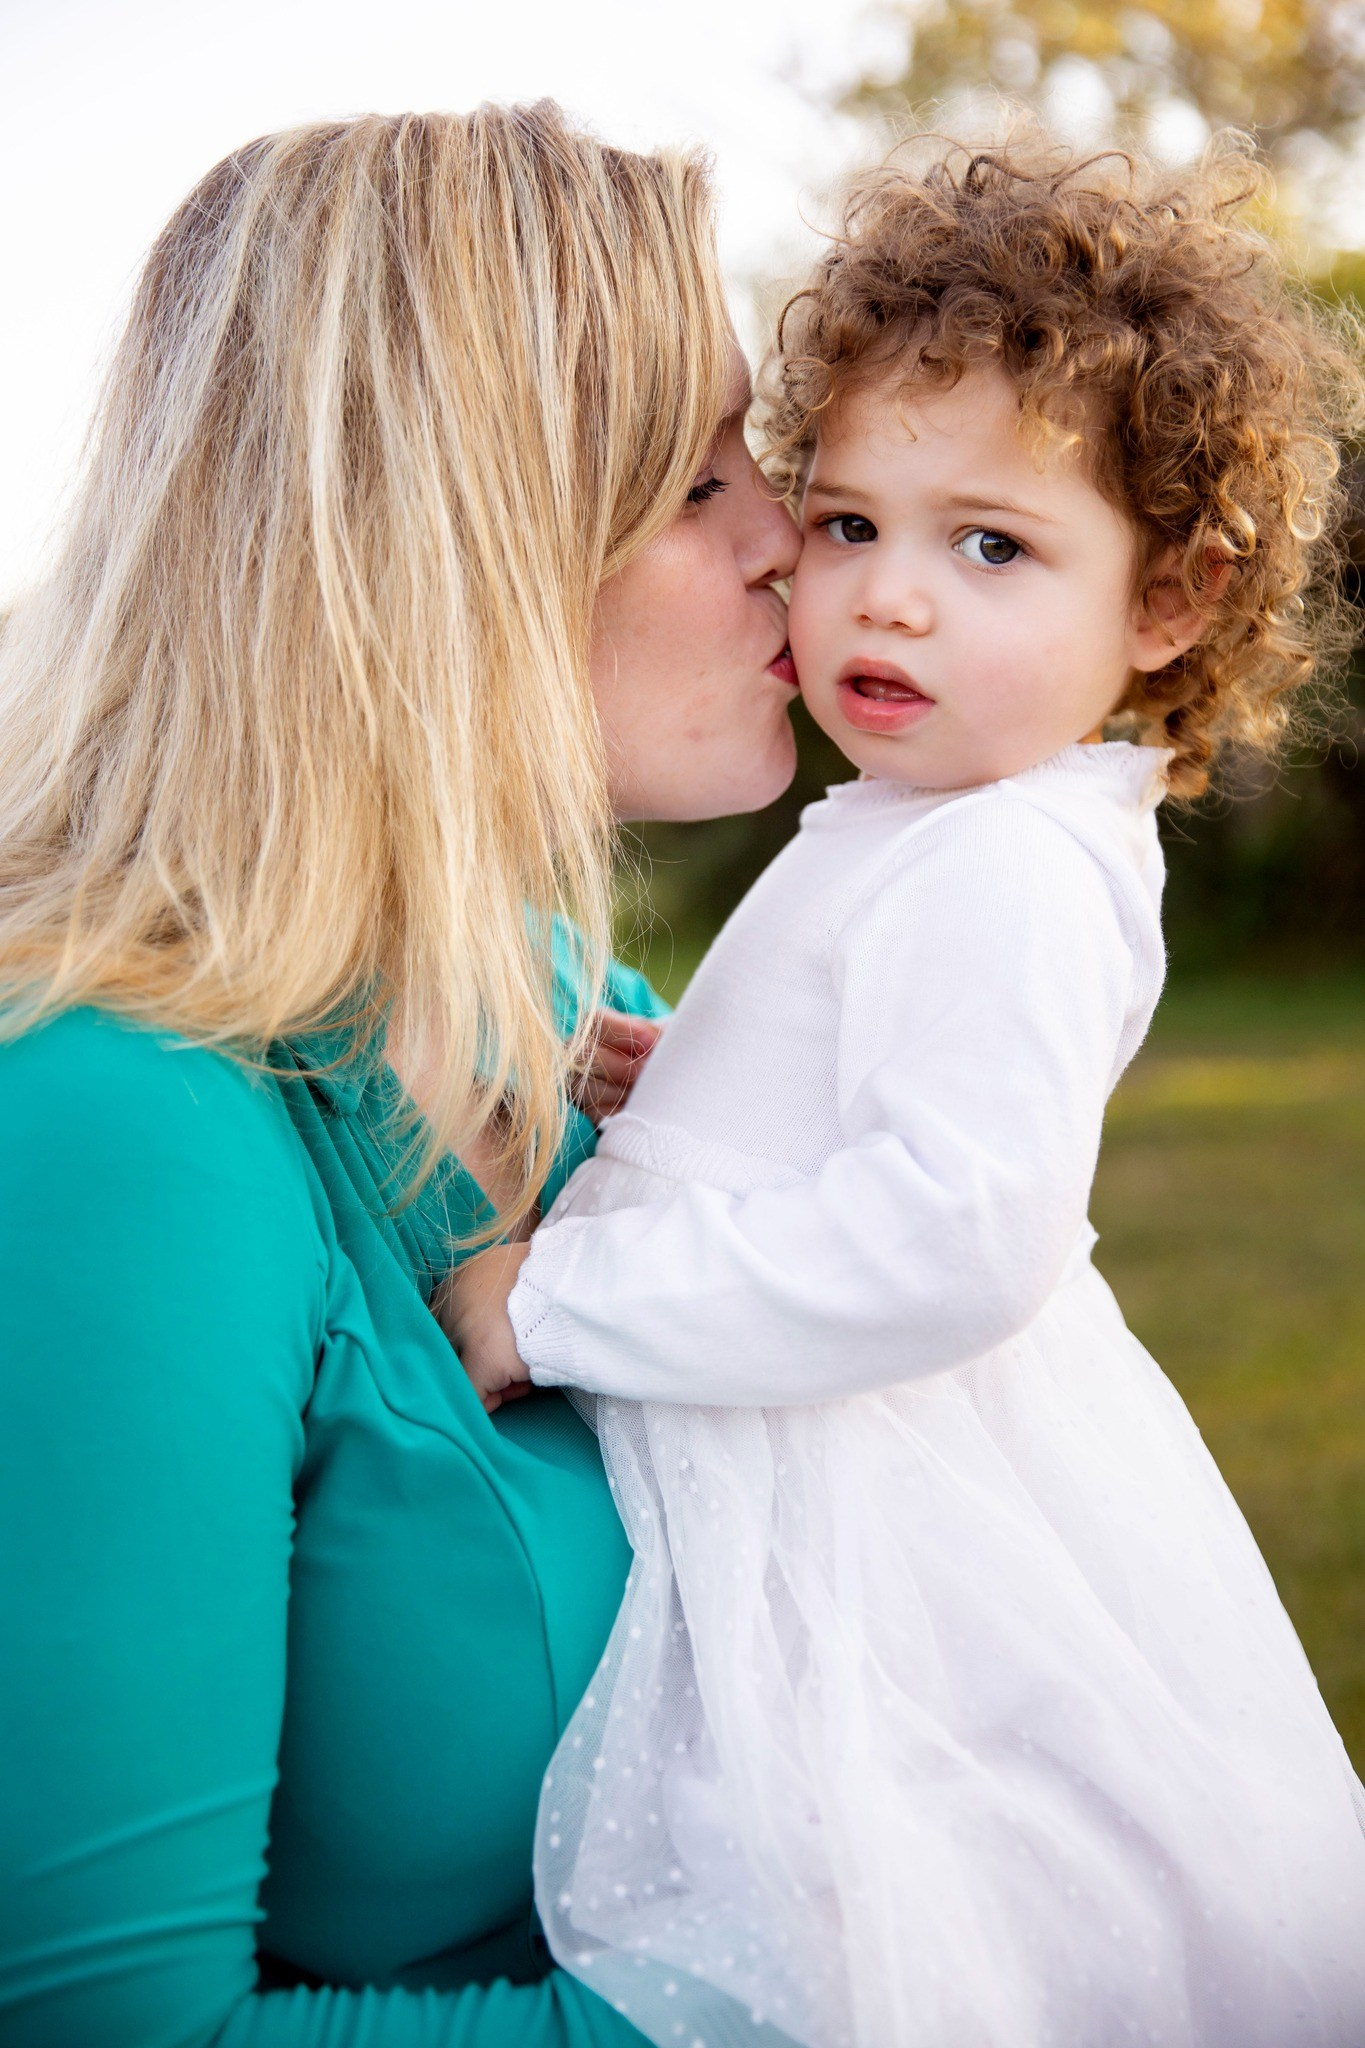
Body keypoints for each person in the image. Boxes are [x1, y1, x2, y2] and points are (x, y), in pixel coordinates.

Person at [450, 133, 1365, 2047]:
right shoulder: (928, 820)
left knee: (892, 1891)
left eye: (992, 546)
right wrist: (688, 1083)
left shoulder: (1015, 865)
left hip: (889, 1487)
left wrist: (557, 1301)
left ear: (1170, 605)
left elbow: (951, 1234)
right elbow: (854, 1084)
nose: (886, 601)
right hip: (827, 1423)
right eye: (850, 521)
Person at [0, 104, 800, 2047]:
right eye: (701, 481)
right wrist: (851, 2002)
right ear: (457, 552)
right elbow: (111, 2028)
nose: (791, 538)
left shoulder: (569, 1007)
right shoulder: (116, 1121)